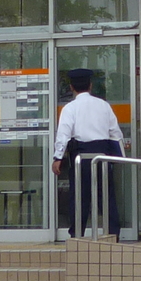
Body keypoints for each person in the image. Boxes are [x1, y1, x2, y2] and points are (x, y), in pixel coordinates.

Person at [51, 68, 123, 238]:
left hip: (80, 156)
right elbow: (115, 133)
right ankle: (113, 234)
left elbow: (63, 135)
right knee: (106, 196)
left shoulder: (70, 108)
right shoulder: (104, 105)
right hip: (102, 155)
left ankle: (77, 235)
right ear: (90, 85)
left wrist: (58, 157)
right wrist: (119, 156)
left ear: (71, 87)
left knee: (79, 197)